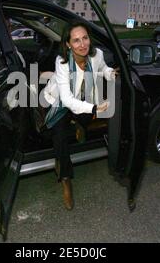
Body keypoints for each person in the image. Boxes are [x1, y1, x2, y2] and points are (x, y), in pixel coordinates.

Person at [42, 21, 118, 210]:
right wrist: (93, 109)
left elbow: (103, 68)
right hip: (60, 99)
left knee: (83, 116)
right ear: (68, 44)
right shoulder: (62, 62)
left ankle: (77, 122)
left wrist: (111, 74)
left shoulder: (97, 54)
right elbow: (67, 100)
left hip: (83, 98)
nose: (82, 44)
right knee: (59, 134)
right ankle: (66, 179)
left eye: (85, 38)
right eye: (76, 40)